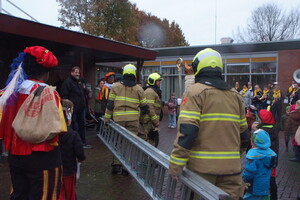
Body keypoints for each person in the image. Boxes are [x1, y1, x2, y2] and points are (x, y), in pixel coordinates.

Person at [169, 48, 249, 200]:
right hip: (232, 172)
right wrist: (231, 157)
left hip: (202, 171)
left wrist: (175, 165)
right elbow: (244, 136)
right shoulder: (236, 96)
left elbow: (188, 132)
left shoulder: (194, 92)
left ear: (198, 67)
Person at [0, 46, 63, 199]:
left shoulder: (9, 91)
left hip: (15, 154)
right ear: (46, 72)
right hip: (41, 156)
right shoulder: (48, 92)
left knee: (19, 194)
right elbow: (58, 126)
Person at [104, 64, 148, 174]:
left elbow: (110, 104)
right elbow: (144, 107)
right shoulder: (139, 89)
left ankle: (116, 164)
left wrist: (107, 118)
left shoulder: (115, 87)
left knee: (118, 141)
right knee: (130, 144)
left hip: (118, 119)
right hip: (133, 120)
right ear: (134, 74)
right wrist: (142, 120)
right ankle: (126, 167)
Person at [59, 99, 85, 200]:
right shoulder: (73, 135)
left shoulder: (53, 134)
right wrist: (81, 158)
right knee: (70, 193)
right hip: (69, 170)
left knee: (58, 191)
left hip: (56, 168)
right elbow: (79, 150)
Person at [60, 66, 92, 149]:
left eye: (78, 72)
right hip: (72, 109)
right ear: (72, 72)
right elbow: (64, 96)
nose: (77, 74)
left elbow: (85, 92)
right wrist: (67, 108)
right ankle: (75, 143)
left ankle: (83, 142)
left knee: (82, 125)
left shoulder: (80, 82)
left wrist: (86, 89)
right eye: (76, 72)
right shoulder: (67, 82)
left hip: (81, 108)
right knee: (74, 126)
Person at [242, 129, 277, 200]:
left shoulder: (253, 155)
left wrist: (243, 179)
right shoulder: (271, 154)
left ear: (253, 141)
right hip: (265, 186)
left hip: (254, 186)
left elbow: (249, 171)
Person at [256, 110, 279, 200]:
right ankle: (274, 197)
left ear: (262, 119)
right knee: (272, 179)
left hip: (262, 160)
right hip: (272, 159)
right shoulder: (274, 129)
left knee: (263, 180)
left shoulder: (262, 132)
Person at [142, 73, 162, 147]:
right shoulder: (150, 92)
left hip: (151, 121)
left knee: (154, 140)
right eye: (158, 81)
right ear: (153, 81)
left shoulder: (153, 91)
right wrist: (155, 121)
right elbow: (150, 107)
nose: (159, 83)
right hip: (149, 121)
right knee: (150, 140)